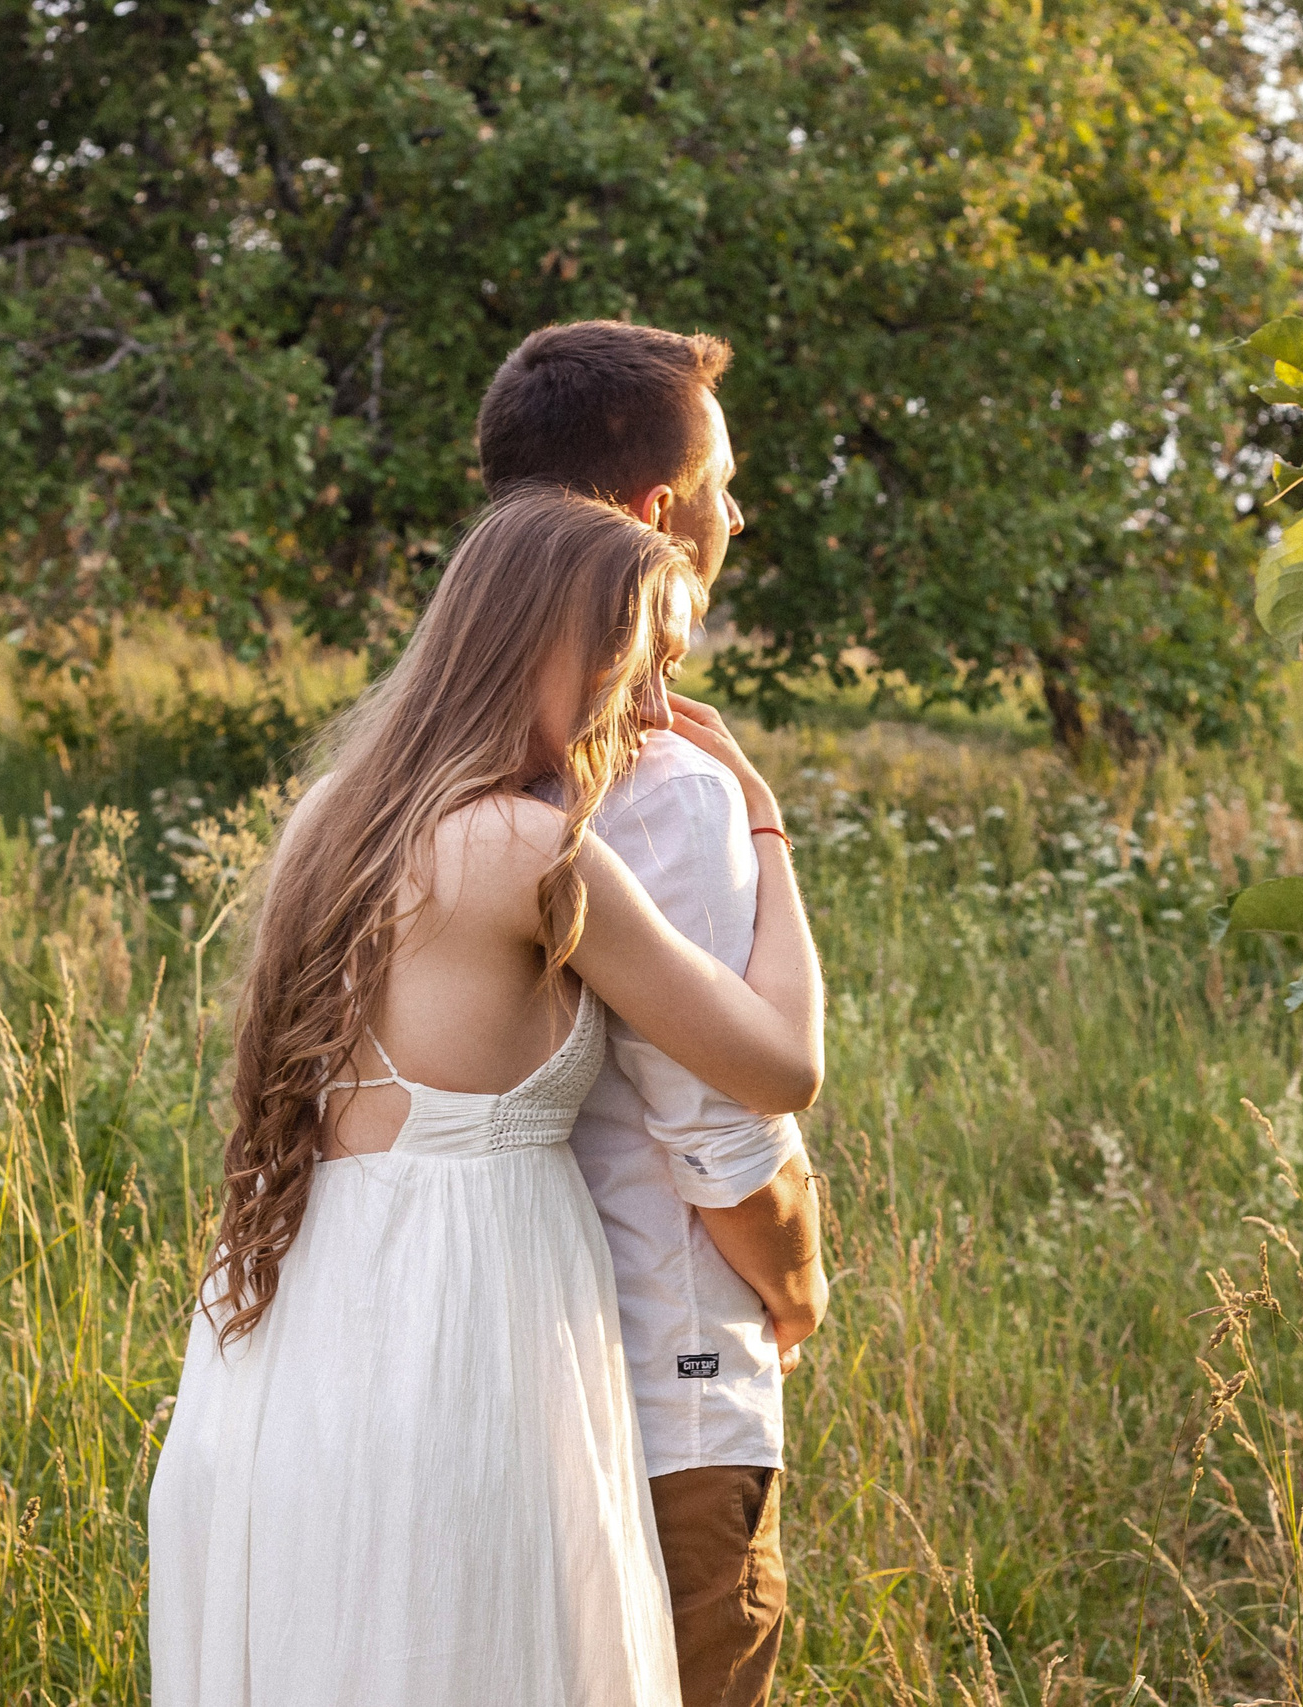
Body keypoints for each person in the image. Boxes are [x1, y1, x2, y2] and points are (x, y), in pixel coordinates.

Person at [147, 486, 824, 1705]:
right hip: (463, 1328)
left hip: (305, 1321)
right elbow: (779, 1064)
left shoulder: (330, 820)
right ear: (569, 652)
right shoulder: (533, 852)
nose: (659, 713)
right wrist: (765, 827)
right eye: (647, 668)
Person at [478, 321, 829, 1707]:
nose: (736, 514)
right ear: (650, 517)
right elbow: (723, 1132)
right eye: (721, 485)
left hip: (501, 1373)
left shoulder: (442, 768)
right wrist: (795, 1279)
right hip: (671, 1381)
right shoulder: (669, 782)